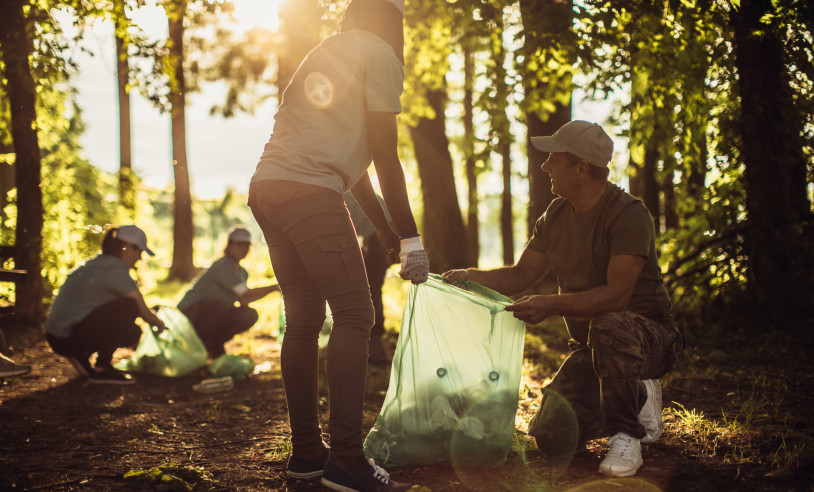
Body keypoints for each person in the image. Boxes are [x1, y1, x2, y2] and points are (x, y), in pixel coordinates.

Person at [247, 0, 427, 489]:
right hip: (309, 192)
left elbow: (355, 164)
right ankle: (347, 461)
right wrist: (411, 238)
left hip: (267, 187)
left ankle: (307, 454)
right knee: (355, 314)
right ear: (389, 19)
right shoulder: (380, 53)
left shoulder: (327, 49)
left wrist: (385, 230)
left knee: (304, 321)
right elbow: (385, 157)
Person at [442, 120, 685, 478]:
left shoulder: (629, 214)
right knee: (553, 437)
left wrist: (549, 305)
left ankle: (626, 434)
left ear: (581, 168)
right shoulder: (554, 216)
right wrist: (470, 277)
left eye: (554, 158)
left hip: (649, 338)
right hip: (592, 347)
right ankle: (639, 395)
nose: (545, 166)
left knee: (609, 325)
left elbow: (616, 297)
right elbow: (521, 275)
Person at [44, 225, 166, 385]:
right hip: (67, 337)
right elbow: (142, 310)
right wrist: (162, 325)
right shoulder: (114, 270)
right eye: (139, 252)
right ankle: (101, 368)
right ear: (127, 247)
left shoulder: (98, 263)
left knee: (133, 331)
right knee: (129, 306)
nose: (140, 258)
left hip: (56, 335)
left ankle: (80, 356)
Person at [177, 225, 280, 359]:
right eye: (239, 244)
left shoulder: (242, 272)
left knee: (248, 314)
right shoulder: (223, 265)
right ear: (229, 245)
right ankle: (201, 345)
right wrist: (274, 287)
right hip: (189, 316)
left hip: (213, 314)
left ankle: (215, 344)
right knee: (217, 308)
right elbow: (246, 295)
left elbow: (243, 300)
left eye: (247, 245)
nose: (243, 249)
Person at [344, 193, 395, 365]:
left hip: (375, 241)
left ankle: (373, 343)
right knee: (371, 291)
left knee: (371, 291)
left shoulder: (342, 189)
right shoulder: (349, 188)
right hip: (372, 241)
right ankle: (368, 342)